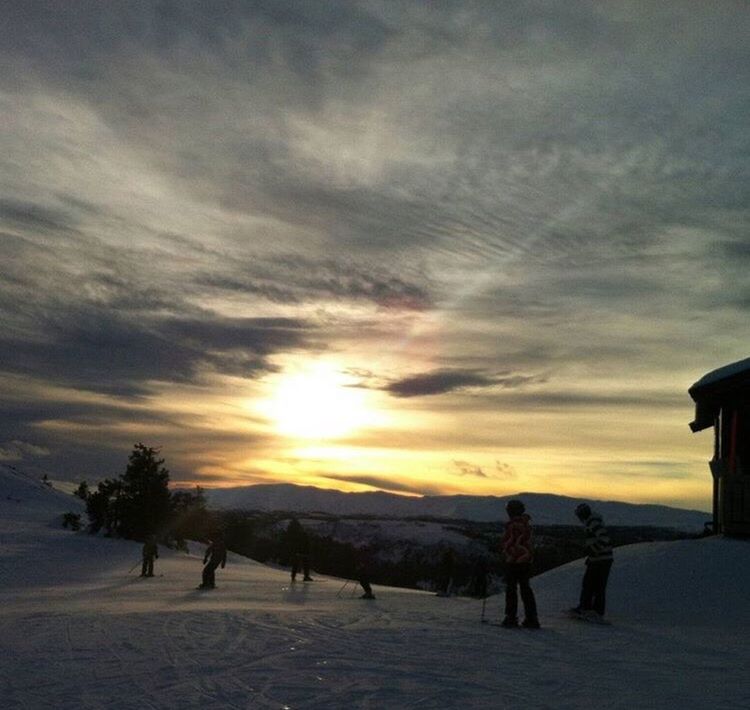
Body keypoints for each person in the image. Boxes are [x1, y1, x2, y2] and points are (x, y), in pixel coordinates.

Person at [500, 499, 540, 628]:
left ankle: (511, 617)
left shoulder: (512, 525)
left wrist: (505, 553)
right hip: (526, 561)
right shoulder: (527, 525)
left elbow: (509, 543)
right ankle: (531, 618)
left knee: (511, 589)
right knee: (525, 589)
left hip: (514, 561)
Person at [570, 503, 613, 621]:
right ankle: (586, 608)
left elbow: (604, 538)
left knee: (596, 586)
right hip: (598, 559)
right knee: (589, 584)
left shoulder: (593, 523)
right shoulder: (591, 522)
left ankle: (596, 611)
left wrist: (593, 551)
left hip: (601, 559)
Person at [286, 518, 313, 582]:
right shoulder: (303, 534)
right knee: (305, 565)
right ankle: (306, 577)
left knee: (296, 565)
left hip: (297, 552)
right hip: (304, 552)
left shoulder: (294, 534)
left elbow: (292, 543)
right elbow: (307, 544)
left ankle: (293, 576)